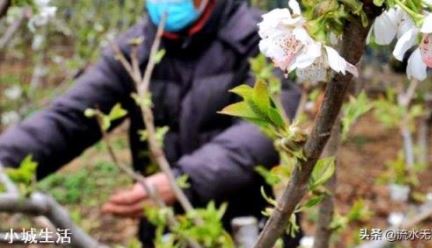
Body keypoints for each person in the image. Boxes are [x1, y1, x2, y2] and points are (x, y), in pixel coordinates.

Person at [0, 0, 300, 246]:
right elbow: (69, 117)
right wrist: (5, 161)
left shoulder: (261, 39)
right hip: (161, 228)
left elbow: (264, 127)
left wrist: (184, 181)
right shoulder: (135, 48)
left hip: (249, 227)